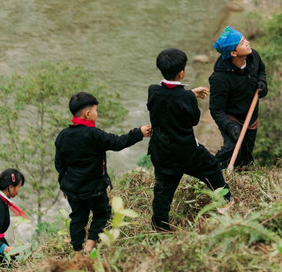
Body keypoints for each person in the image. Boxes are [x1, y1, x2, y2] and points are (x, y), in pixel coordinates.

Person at [54, 92, 151, 252]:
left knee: (77, 219)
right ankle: (89, 246)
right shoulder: (95, 135)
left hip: (73, 189)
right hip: (94, 189)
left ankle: (77, 252)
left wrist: (63, 186)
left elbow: (60, 165)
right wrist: (139, 132)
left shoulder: (63, 136)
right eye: (95, 110)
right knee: (102, 214)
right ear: (87, 114)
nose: (96, 114)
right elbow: (119, 142)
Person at [148, 48, 230, 232]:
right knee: (212, 169)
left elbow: (168, 97)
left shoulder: (152, 91)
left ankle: (159, 226)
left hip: (161, 152)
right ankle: (226, 203)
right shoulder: (186, 97)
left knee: (163, 191)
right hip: (186, 152)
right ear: (182, 72)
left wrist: (189, 93)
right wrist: (190, 96)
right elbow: (194, 120)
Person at [209, 26, 268, 169]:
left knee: (247, 154)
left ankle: (243, 177)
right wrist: (230, 126)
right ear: (233, 53)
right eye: (242, 43)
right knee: (232, 150)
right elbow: (216, 110)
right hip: (231, 118)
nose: (247, 43)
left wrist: (262, 83)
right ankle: (213, 173)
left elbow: (261, 70)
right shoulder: (219, 78)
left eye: (244, 39)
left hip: (251, 116)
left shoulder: (253, 56)